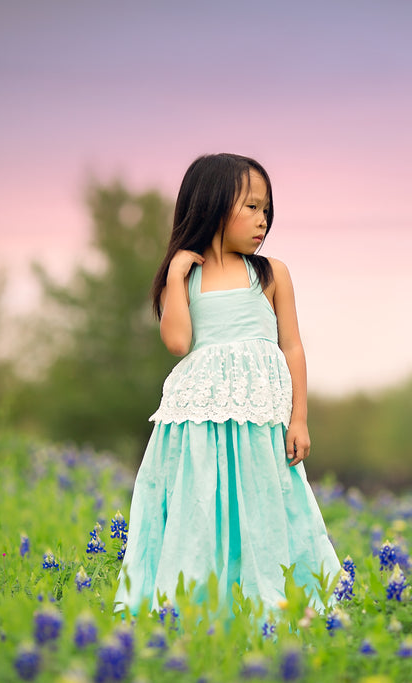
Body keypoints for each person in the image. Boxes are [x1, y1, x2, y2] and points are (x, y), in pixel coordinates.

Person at [112, 153, 341, 616]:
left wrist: (299, 418)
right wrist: (175, 275)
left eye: (266, 210)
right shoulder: (185, 277)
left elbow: (292, 346)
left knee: (265, 510)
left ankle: (280, 608)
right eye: (251, 207)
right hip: (199, 420)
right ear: (212, 204)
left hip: (258, 419)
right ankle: (191, 610)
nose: (263, 220)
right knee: (200, 512)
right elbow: (178, 342)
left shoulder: (271, 273)